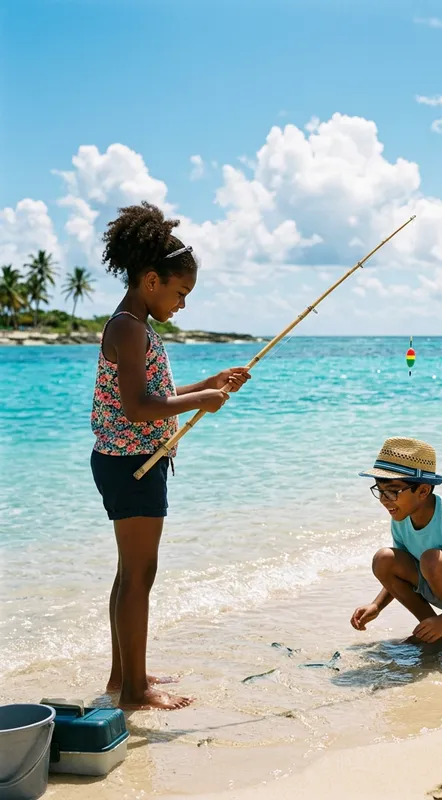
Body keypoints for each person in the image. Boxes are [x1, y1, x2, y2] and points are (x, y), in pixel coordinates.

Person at [90, 202, 251, 710]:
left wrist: (208, 383)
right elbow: (138, 407)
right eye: (181, 293)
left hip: (132, 460)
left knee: (130, 573)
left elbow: (156, 392)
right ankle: (135, 691)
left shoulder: (134, 324)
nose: (182, 304)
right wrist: (200, 402)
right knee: (139, 575)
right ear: (151, 279)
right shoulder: (129, 327)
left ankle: (124, 676)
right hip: (131, 463)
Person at [350, 437, 442, 659]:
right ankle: (432, 631)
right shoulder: (401, 517)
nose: (384, 500)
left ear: (422, 491)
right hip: (441, 586)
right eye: (380, 490)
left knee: (432, 559)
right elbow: (400, 568)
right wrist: (377, 606)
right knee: (384, 559)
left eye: (392, 491)